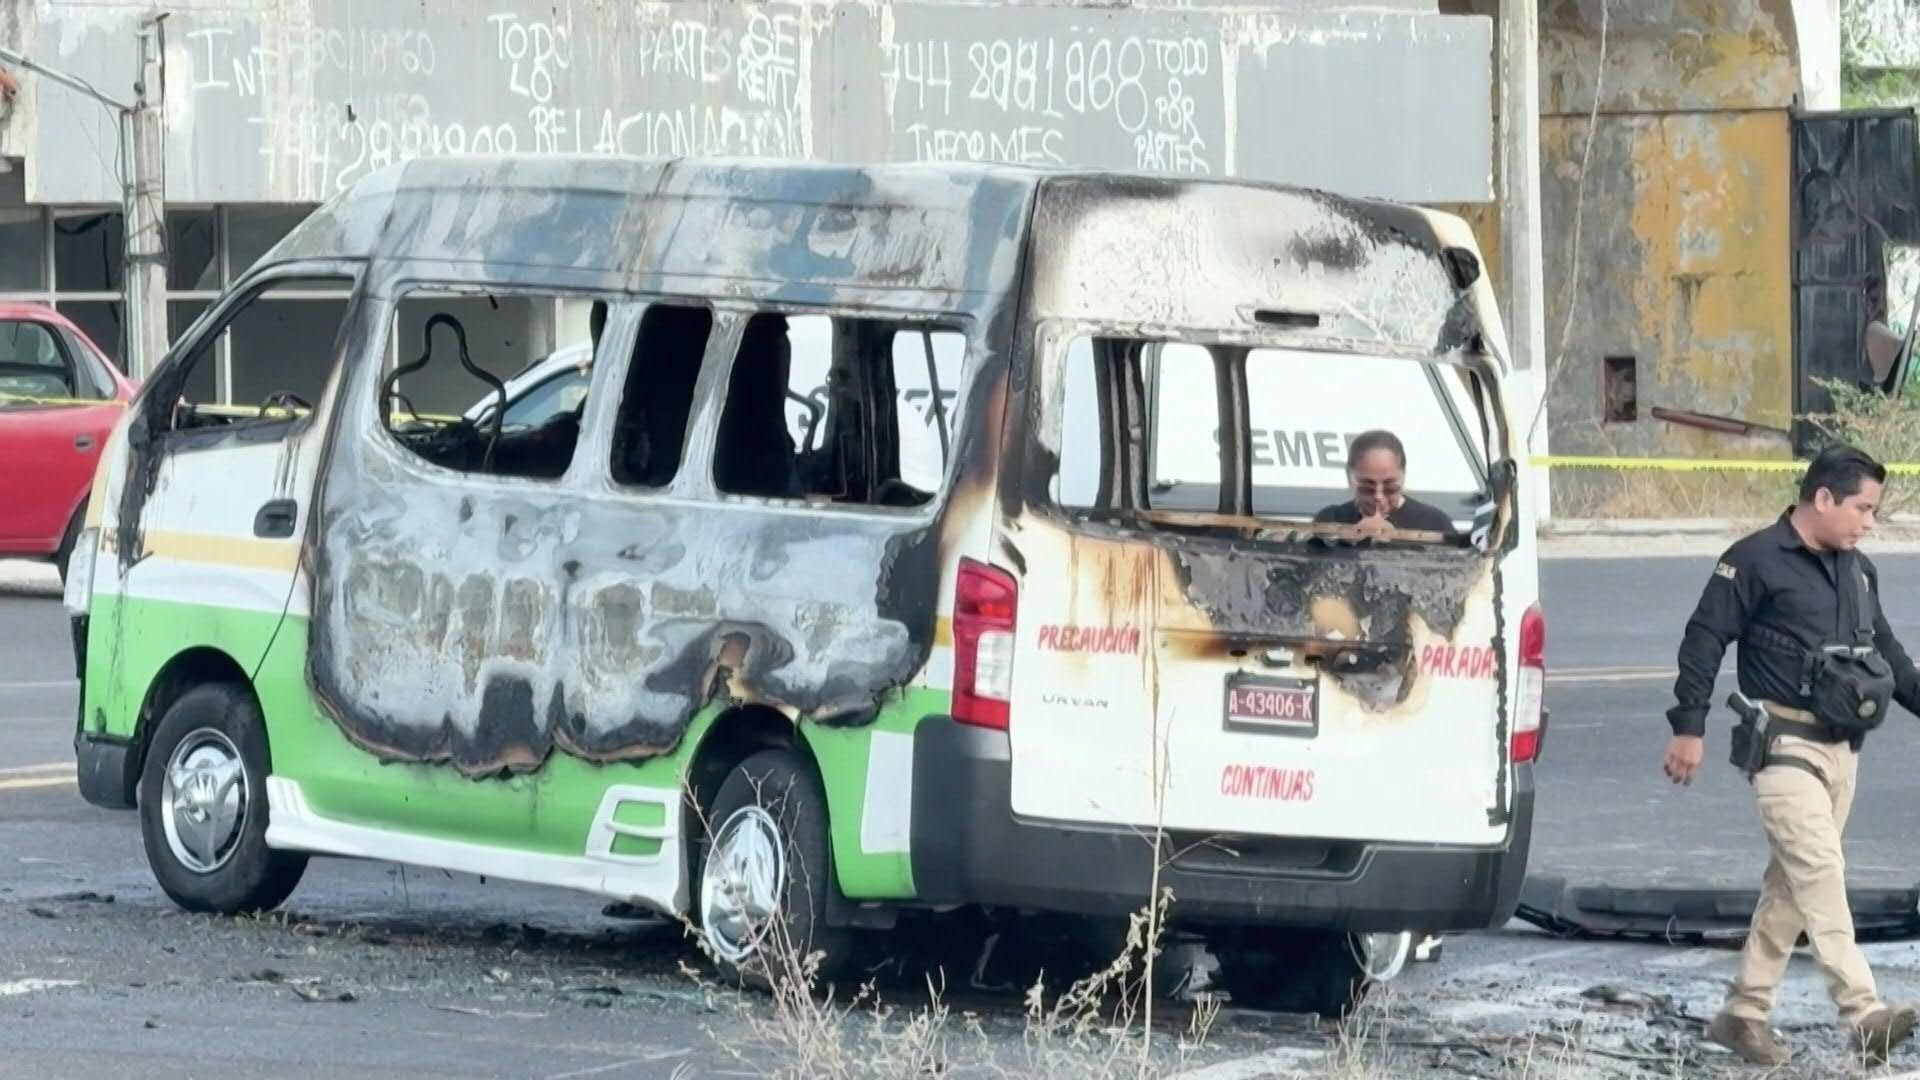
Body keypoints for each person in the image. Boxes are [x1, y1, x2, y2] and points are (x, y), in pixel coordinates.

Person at [1664, 444, 1920, 1067]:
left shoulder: (1858, 569)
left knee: (1791, 885)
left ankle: (1742, 1015)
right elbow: (1705, 638)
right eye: (1862, 508)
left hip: (1842, 753)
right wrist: (1688, 725)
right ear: (1823, 498)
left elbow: (1885, 648)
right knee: (1821, 871)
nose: (1868, 522)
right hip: (1781, 750)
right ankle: (1863, 1014)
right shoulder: (1752, 559)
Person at [1313, 429, 1457, 538]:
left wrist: (1396, 542)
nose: (1378, 497)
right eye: (1367, 488)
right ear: (1350, 479)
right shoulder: (1330, 519)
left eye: (1390, 488)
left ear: (1403, 478)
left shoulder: (1434, 523)